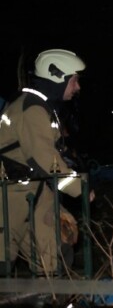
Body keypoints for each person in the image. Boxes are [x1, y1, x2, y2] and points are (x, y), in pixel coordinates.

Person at [0, 49, 91, 277]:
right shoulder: (32, 110)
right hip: (11, 196)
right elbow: (45, 161)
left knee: (56, 249)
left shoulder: (39, 106)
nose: (77, 87)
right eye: (74, 80)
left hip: (32, 191)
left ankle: (49, 307)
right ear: (57, 77)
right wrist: (80, 188)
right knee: (3, 261)